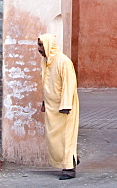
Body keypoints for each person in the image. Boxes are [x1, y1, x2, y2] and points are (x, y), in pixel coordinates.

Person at [38, 34, 80, 180]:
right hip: (51, 108)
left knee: (66, 137)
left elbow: (70, 84)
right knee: (53, 139)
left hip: (64, 108)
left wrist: (66, 105)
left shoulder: (64, 62)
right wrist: (44, 102)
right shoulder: (46, 62)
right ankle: (72, 158)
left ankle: (69, 169)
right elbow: (46, 84)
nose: (39, 49)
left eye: (41, 45)